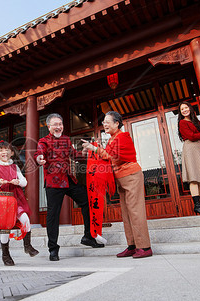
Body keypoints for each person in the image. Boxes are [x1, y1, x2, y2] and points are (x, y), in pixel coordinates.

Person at [82, 111, 152, 258]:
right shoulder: (112, 139)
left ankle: (144, 247)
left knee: (135, 211)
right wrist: (91, 151)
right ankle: (132, 245)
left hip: (131, 176)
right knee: (126, 213)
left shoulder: (123, 137)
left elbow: (112, 156)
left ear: (117, 123)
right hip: (120, 178)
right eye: (104, 122)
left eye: (108, 122)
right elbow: (105, 157)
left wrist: (94, 148)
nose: (104, 124)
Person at [34, 113, 104, 261]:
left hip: (68, 179)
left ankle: (88, 236)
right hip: (53, 182)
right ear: (49, 126)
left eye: (60, 124)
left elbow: (75, 155)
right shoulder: (43, 141)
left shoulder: (66, 139)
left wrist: (83, 152)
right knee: (53, 215)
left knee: (87, 201)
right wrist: (39, 158)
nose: (59, 127)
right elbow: (39, 153)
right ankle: (53, 249)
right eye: (55, 124)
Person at [0, 140, 39, 266]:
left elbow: (24, 182)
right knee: (5, 230)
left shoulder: (15, 167)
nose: (4, 152)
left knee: (25, 219)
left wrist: (18, 182)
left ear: (11, 153)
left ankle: (27, 246)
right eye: (1, 150)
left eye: (7, 150)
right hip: (2, 203)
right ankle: (5, 255)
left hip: (15, 200)